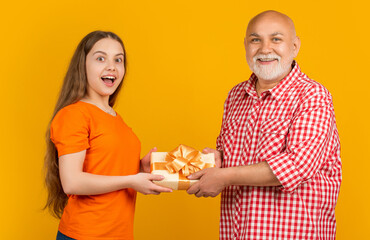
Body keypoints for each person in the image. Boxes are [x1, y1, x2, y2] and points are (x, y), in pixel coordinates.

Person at [187, 10, 342, 239]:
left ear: (295, 46)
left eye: (276, 39)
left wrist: (224, 176)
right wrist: (218, 159)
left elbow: (296, 165)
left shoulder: (313, 95)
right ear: (245, 46)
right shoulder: (235, 96)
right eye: (255, 40)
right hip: (236, 232)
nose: (265, 48)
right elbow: (233, 156)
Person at [44, 31, 172, 240]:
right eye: (100, 58)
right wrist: (132, 180)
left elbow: (107, 168)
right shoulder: (74, 114)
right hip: (85, 235)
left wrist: (140, 167)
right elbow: (72, 181)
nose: (111, 66)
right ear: (82, 65)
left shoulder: (115, 118)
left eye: (118, 60)